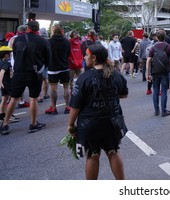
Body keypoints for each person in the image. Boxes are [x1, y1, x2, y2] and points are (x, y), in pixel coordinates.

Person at [68, 44, 128, 180]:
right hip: (112, 122)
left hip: (90, 125)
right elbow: (124, 94)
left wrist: (70, 125)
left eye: (86, 55)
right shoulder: (116, 74)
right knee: (113, 152)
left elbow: (75, 106)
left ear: (94, 58)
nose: (84, 57)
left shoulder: (84, 78)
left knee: (92, 156)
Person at [0, 21, 51, 135]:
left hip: (19, 72)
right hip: (34, 72)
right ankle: (33, 124)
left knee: (14, 98)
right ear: (37, 29)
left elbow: (16, 56)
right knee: (33, 99)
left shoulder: (17, 39)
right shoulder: (43, 41)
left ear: (28, 28)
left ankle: (5, 124)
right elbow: (48, 59)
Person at [146, 30, 170, 117]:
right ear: (165, 37)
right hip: (165, 71)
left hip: (155, 72)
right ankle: (163, 111)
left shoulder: (153, 48)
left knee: (155, 90)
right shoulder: (169, 47)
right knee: (164, 91)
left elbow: (148, 60)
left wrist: (148, 73)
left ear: (156, 37)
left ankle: (156, 111)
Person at [45, 25, 71, 115]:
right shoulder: (66, 42)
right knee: (66, 87)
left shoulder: (49, 42)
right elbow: (68, 54)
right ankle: (67, 106)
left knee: (53, 88)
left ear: (53, 31)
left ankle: (54, 107)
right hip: (64, 67)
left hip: (52, 68)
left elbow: (46, 55)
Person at [0, 46, 20, 124]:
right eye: (9, 53)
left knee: (4, 99)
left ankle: (1, 115)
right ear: (5, 55)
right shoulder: (7, 63)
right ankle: (10, 115)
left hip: (3, 84)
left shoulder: (0, 62)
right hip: (8, 84)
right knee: (14, 99)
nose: (10, 55)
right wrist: (0, 81)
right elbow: (2, 72)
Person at [37, 27, 50, 103]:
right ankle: (45, 94)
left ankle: (39, 96)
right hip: (46, 62)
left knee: (39, 80)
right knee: (45, 79)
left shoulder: (37, 40)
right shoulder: (48, 41)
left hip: (39, 62)